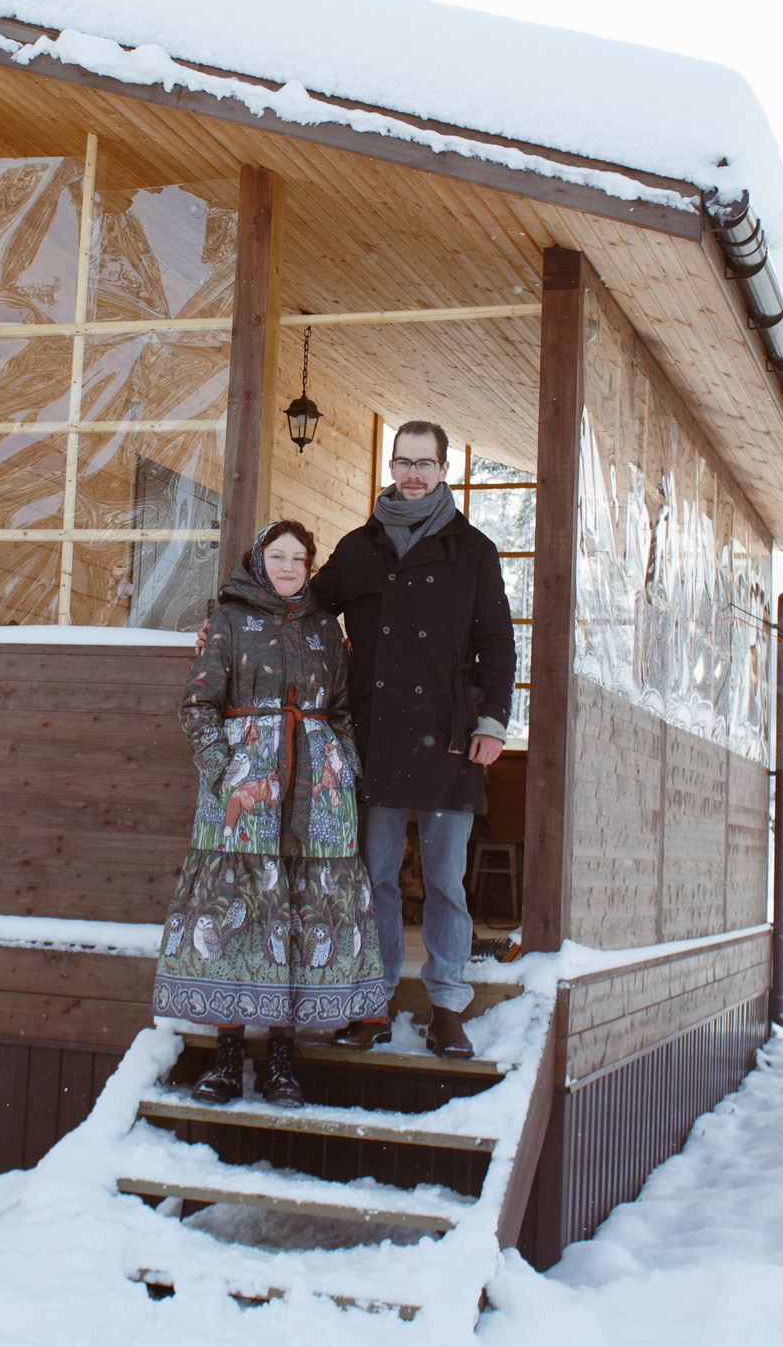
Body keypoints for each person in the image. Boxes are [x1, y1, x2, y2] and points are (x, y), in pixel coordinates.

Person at [153, 520, 391, 1106]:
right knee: (236, 909)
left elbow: (338, 709)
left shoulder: (324, 629)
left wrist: (346, 770)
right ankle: (228, 1055)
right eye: (277, 557)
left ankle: (284, 1054)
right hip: (244, 793)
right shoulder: (229, 621)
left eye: (298, 559)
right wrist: (222, 771)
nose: (288, 567)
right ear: (258, 562)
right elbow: (197, 706)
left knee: (297, 912)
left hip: (317, 787)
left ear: (310, 567)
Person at [312, 422, 516, 1059]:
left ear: (444, 469)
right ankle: (372, 1003)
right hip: (372, 736)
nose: (413, 475)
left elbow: (498, 643)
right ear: (391, 464)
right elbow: (306, 609)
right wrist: (234, 623)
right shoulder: (358, 547)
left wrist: (493, 721)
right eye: (403, 462)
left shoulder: (473, 551)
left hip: (450, 739)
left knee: (445, 882)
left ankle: (448, 1005)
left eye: (424, 464)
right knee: (373, 876)